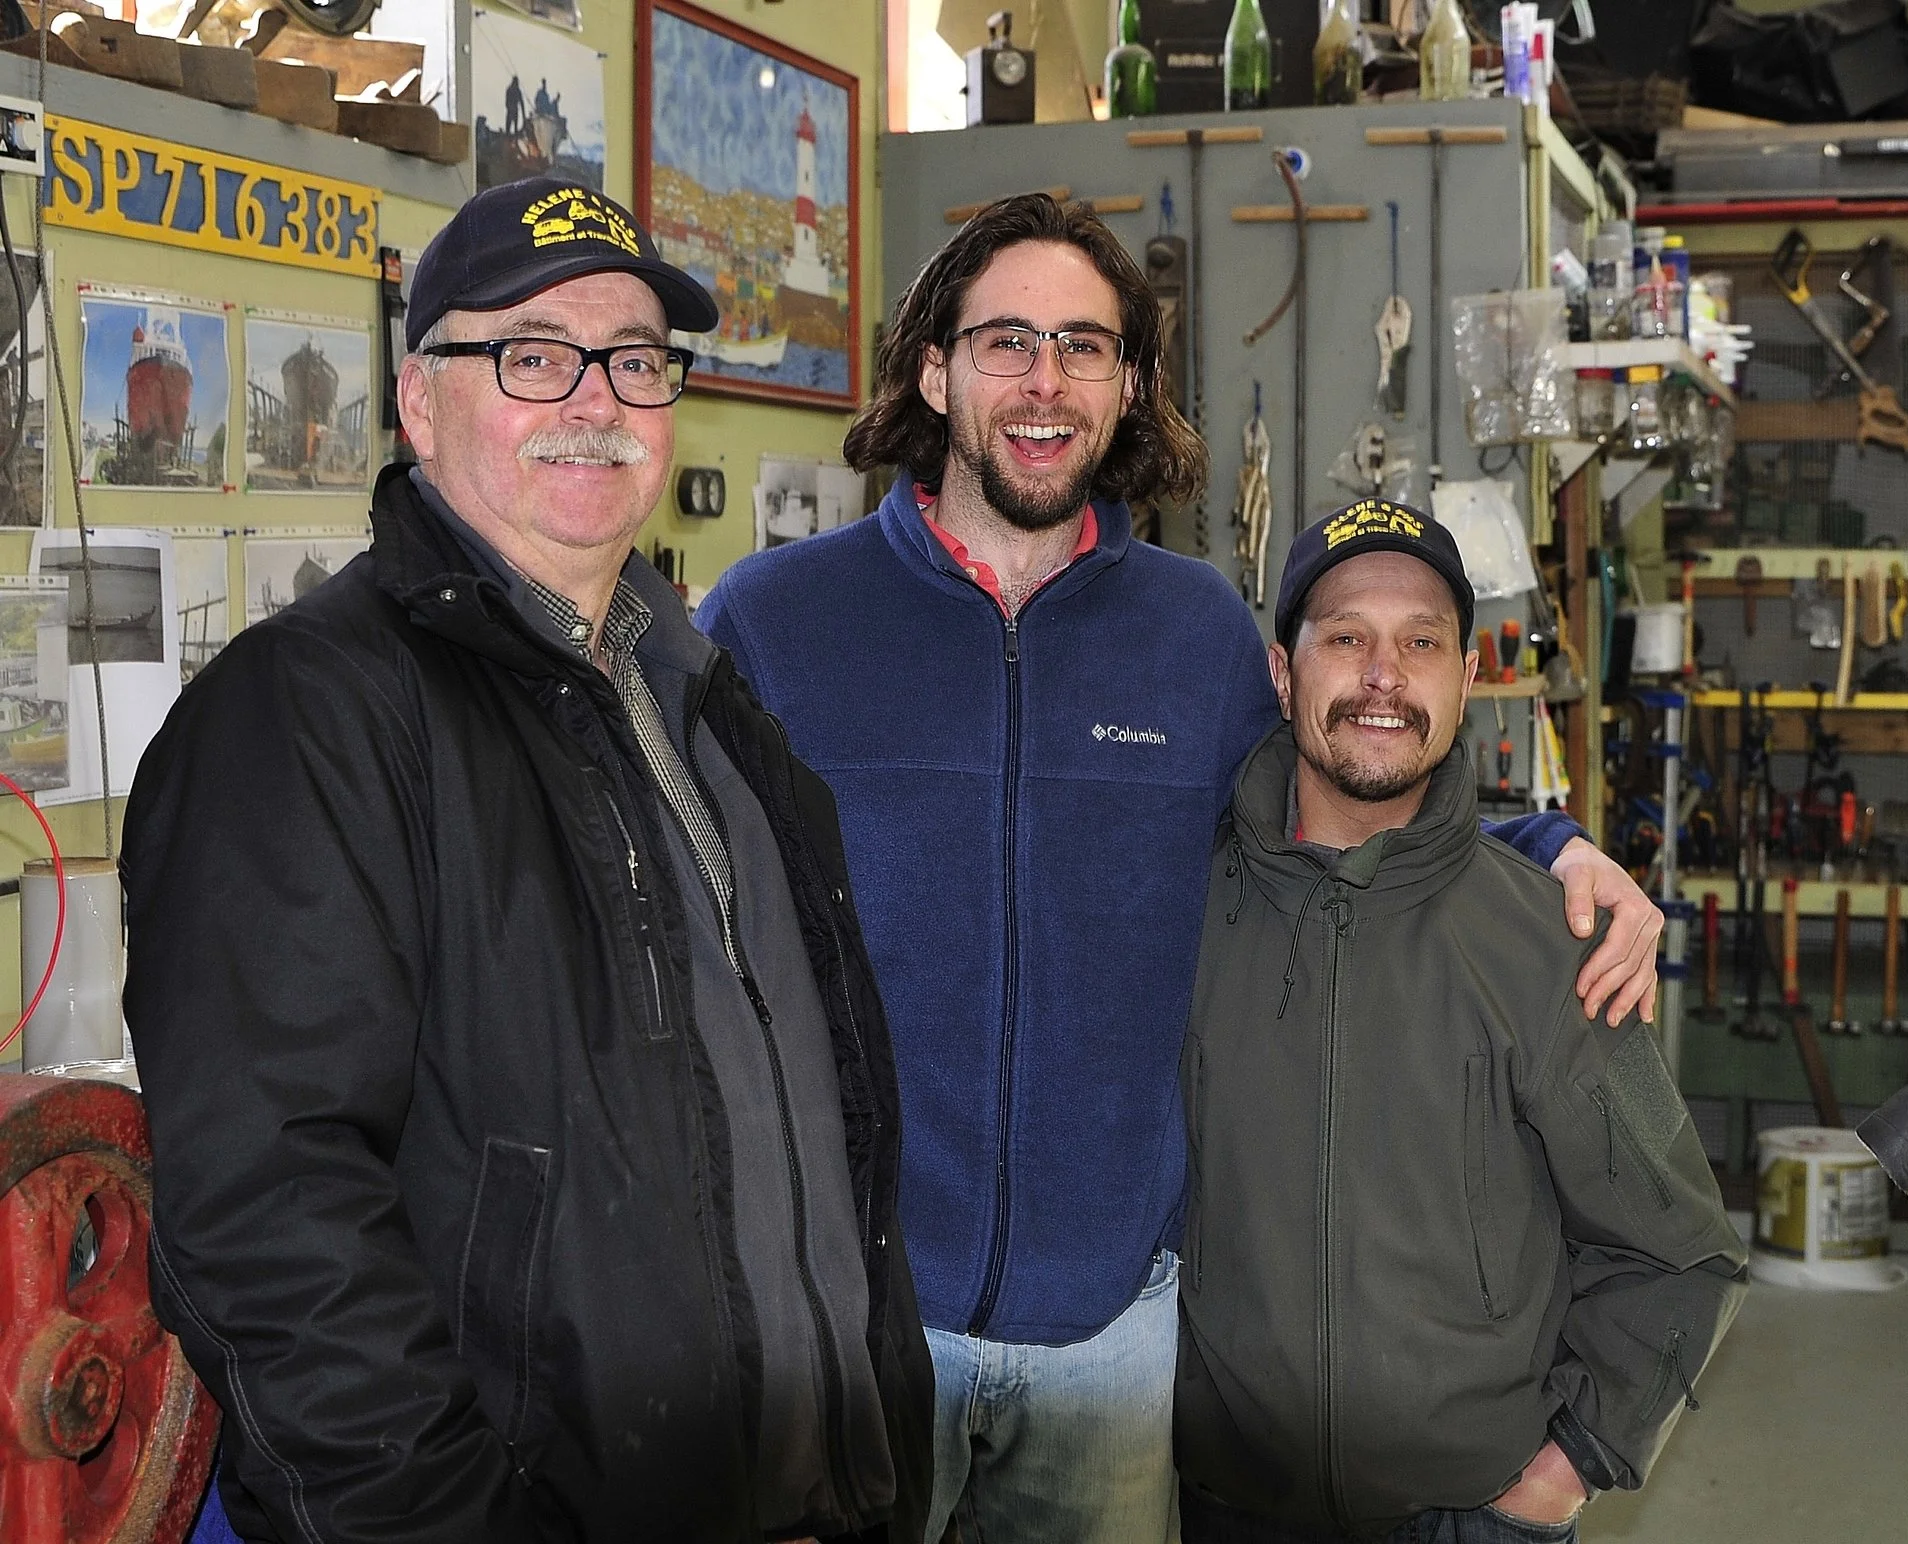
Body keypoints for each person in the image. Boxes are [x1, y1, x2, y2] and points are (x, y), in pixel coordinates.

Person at [697, 192, 1667, 1544]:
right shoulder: (774, 622)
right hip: (853, 1321)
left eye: (1086, 347)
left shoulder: (1199, 636)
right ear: (934, 367)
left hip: (1116, 1336)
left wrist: (1555, 850)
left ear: (1131, 385)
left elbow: (1335, 826)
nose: (1047, 383)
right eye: (1008, 342)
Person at [123, 178, 932, 1544]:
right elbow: (269, 1216)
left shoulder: (707, 703)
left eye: (632, 359)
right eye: (531, 356)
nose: (595, 400)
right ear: (419, 401)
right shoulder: (309, 712)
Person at [1176, 502, 1747, 1543]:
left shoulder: (1546, 940)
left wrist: (1566, 1468)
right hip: (1222, 1508)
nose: (1383, 674)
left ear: (1468, 677)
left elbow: (1681, 1250)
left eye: (1422, 641)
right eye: (1345, 635)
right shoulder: (1184, 914)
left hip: (1470, 1516)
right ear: (1280, 672)